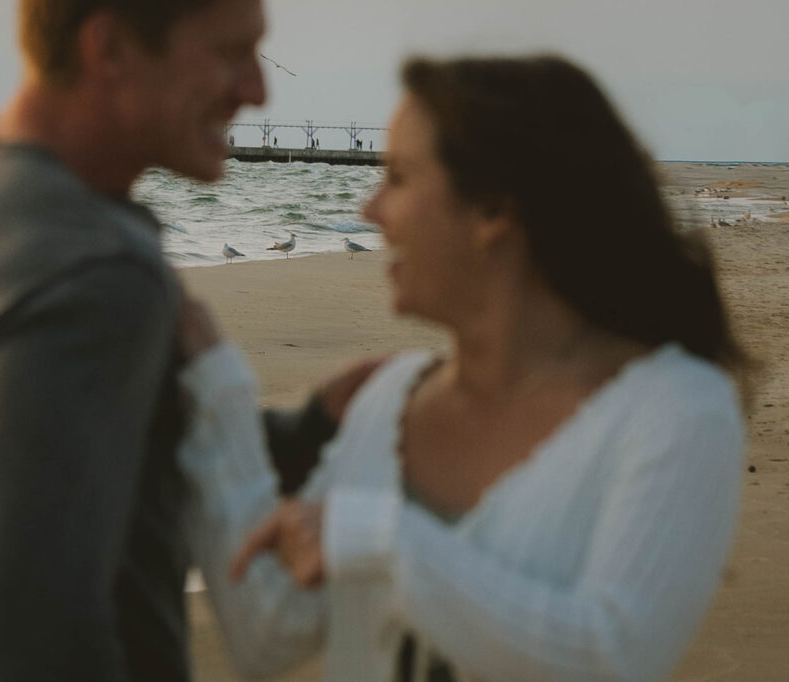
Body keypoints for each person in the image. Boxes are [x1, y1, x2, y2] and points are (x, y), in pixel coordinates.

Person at [177, 55, 746, 681]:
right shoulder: (389, 401)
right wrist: (212, 388)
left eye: (398, 177)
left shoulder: (676, 411)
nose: (370, 209)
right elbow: (270, 630)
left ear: (492, 212)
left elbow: (608, 657)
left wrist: (377, 541)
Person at [0, 0, 274, 679]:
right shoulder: (95, 270)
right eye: (229, 54)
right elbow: (30, 626)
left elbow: (83, 452)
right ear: (110, 48)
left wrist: (325, 425)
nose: (257, 91)